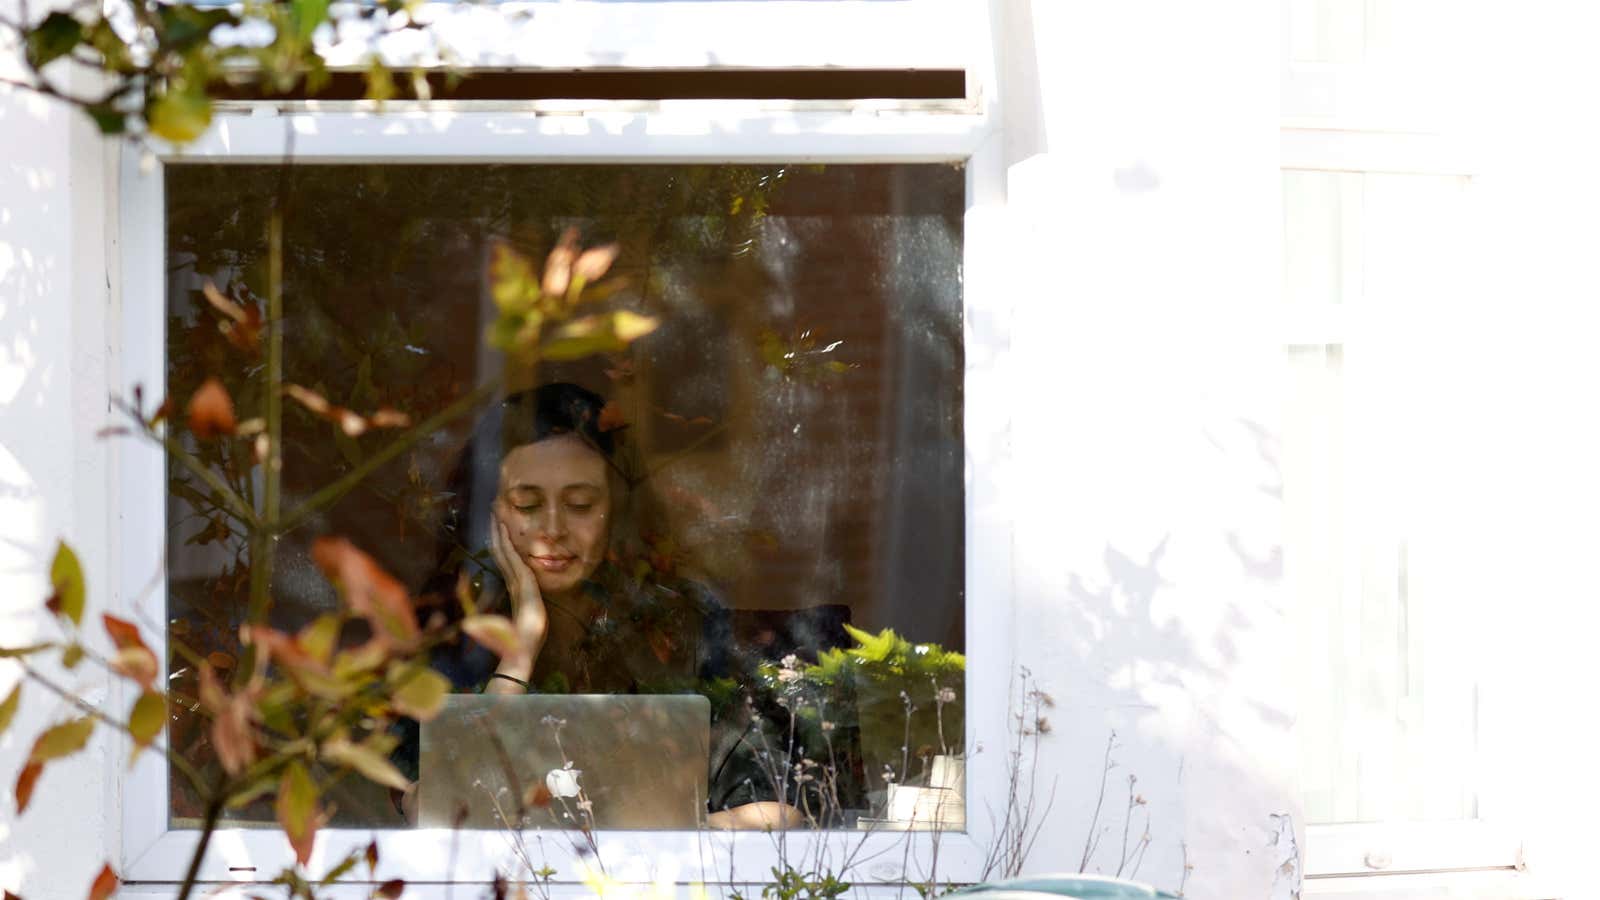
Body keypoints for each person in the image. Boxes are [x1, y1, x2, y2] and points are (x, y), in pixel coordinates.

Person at [397, 382, 803, 830]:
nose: (552, 528)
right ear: (491, 512)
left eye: (580, 504)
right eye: (527, 503)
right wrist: (521, 650)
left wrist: (673, 838)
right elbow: (435, 810)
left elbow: (781, 807)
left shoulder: (680, 622)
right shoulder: (447, 633)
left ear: (617, 512)